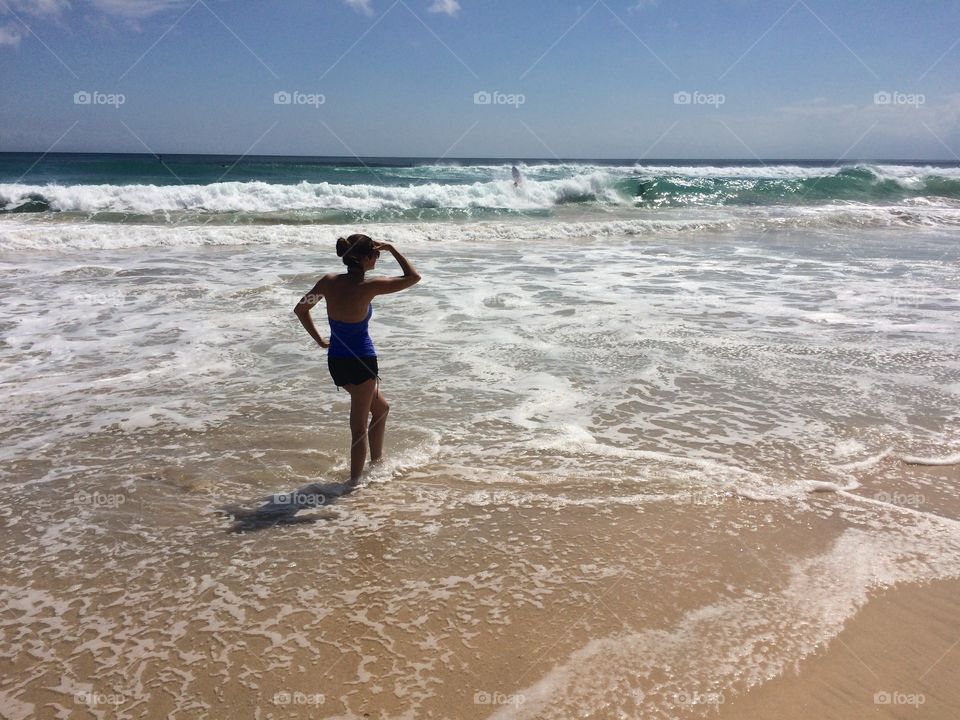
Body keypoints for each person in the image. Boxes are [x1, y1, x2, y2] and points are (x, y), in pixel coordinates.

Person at [294, 234, 421, 484]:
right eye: (376, 254)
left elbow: (301, 309)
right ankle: (353, 486)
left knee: (382, 409)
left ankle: (377, 464)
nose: (378, 257)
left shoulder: (327, 282)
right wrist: (394, 249)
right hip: (362, 362)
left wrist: (320, 340)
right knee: (358, 429)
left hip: (337, 362)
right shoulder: (370, 286)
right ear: (364, 258)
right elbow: (413, 277)